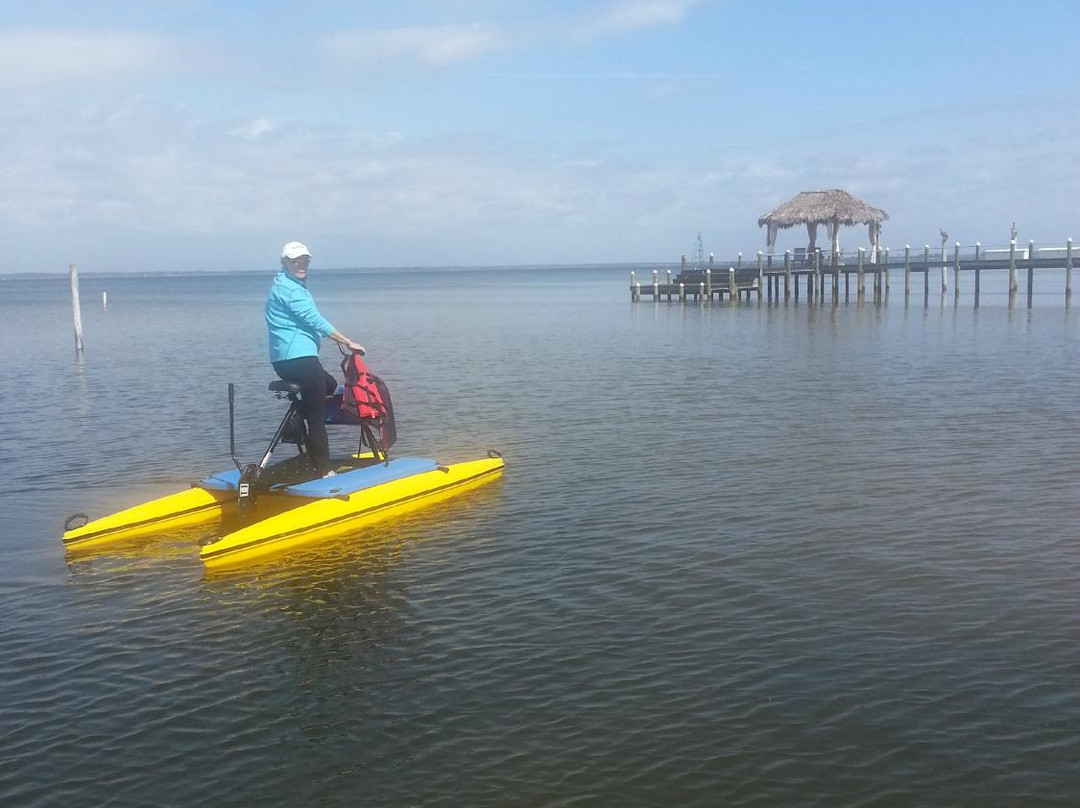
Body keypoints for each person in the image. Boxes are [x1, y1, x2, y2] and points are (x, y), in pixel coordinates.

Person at [265, 241, 364, 477]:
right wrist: (348, 342)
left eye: (305, 261)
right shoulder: (291, 291)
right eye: (295, 261)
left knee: (328, 384)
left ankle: (298, 418)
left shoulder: (283, 285)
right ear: (285, 263)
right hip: (300, 360)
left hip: (284, 362)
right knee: (316, 416)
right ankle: (323, 470)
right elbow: (316, 321)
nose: (301, 265)